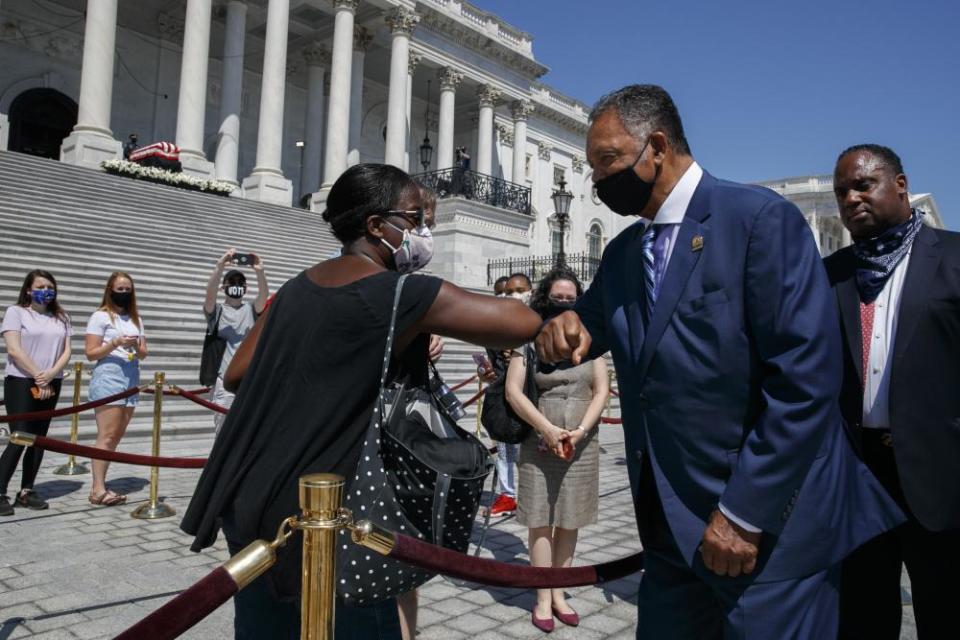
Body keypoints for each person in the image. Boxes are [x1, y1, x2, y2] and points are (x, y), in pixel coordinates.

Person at [535, 84, 903, 638]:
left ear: (656, 146)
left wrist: (745, 512)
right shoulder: (624, 253)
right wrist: (568, 324)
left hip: (765, 534)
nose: (597, 180)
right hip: (668, 530)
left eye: (608, 160)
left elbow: (804, 382)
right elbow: (592, 321)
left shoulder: (757, 220)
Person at [181, 163, 542, 640]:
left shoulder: (296, 287)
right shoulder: (400, 293)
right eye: (414, 219)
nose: (422, 232)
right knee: (358, 624)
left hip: (254, 492)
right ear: (376, 226)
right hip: (334, 504)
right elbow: (521, 323)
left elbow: (237, 372)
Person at [825, 144, 960, 639]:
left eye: (864, 185)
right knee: (862, 617)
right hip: (860, 479)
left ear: (900, 185)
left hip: (942, 476)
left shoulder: (953, 256)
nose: (852, 198)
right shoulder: (832, 274)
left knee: (945, 614)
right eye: (843, 191)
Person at [506, 267, 608, 632]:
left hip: (581, 442)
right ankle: (543, 596)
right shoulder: (529, 338)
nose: (564, 302)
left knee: (570, 518)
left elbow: (601, 390)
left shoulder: (590, 337)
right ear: (545, 296)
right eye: (558, 296)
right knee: (540, 519)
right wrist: (547, 429)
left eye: (571, 297)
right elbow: (513, 391)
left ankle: (562, 590)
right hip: (540, 439)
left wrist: (579, 430)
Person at [0, 270, 72, 515]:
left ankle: (27, 490)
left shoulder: (61, 317)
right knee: (20, 436)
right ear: (29, 289)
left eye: (50, 286)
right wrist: (38, 375)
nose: (46, 290)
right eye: (40, 286)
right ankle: (0, 490)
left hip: (52, 380)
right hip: (21, 380)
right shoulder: (16, 312)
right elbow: (14, 348)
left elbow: (66, 351)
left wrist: (50, 374)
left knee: (39, 439)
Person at [85, 272, 148, 506]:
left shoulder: (135, 319)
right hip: (109, 373)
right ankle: (97, 489)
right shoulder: (100, 317)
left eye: (127, 289)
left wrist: (135, 345)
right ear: (110, 290)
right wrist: (113, 343)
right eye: (119, 289)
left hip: (130, 374)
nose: (123, 293)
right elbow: (91, 353)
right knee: (107, 434)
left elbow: (143, 352)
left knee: (117, 434)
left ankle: (101, 483)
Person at [481, 272, 533, 518]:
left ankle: (529, 494)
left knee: (528, 448)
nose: (507, 297)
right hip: (502, 396)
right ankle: (507, 494)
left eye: (513, 291)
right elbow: (493, 366)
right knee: (503, 447)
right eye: (500, 293)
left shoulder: (534, 321)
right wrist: (487, 372)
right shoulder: (493, 327)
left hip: (530, 393)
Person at [202, 250, 269, 431]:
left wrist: (259, 271)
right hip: (224, 383)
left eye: (241, 282)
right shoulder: (217, 312)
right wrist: (219, 267)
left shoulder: (250, 309)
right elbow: (210, 295)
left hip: (249, 381)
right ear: (224, 287)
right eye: (232, 282)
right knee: (223, 432)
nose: (237, 285)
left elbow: (263, 297)